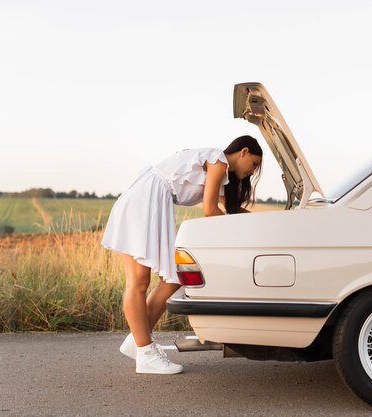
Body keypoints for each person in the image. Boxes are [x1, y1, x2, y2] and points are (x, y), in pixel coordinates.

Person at [100, 135, 263, 374]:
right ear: (244, 152)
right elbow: (209, 211)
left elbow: (227, 208)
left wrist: (258, 222)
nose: (252, 171)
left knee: (173, 279)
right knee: (138, 282)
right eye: (254, 164)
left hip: (150, 200)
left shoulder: (220, 171)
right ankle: (145, 352)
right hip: (144, 201)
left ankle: (137, 339)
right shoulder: (218, 161)